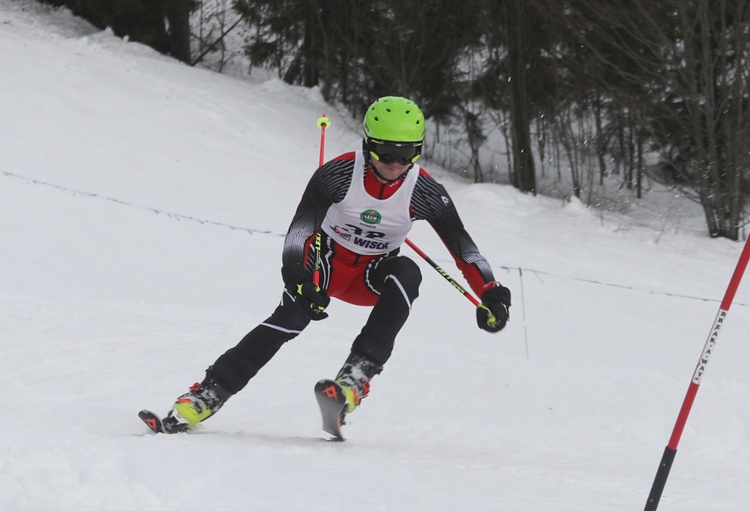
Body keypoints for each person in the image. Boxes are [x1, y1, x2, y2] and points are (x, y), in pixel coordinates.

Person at [156, 96, 511, 434]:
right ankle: (207, 394)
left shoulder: (425, 191)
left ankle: (355, 379)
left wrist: (491, 292)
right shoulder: (337, 175)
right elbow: (299, 232)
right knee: (293, 318)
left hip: (370, 276)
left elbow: (464, 248)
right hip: (323, 264)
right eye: (385, 151)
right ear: (367, 144)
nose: (394, 163)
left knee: (408, 273)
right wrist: (296, 275)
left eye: (406, 155)